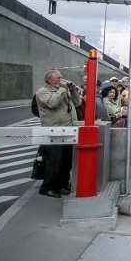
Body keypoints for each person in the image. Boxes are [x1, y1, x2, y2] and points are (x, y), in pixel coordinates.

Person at [35, 69, 82, 198]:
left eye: (61, 77)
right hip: (54, 131)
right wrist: (62, 90)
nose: (61, 80)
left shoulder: (63, 91)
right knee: (54, 161)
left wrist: (73, 91)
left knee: (66, 161)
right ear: (49, 80)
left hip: (68, 130)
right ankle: (48, 187)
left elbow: (77, 103)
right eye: (58, 78)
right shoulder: (42, 92)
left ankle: (62, 185)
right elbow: (52, 103)